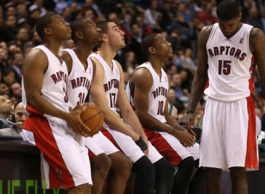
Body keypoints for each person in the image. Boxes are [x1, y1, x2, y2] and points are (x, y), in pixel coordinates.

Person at [186, 1, 265, 194]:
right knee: (210, 171)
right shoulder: (207, 33)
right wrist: (190, 109)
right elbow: (200, 75)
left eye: (231, 25)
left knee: (238, 171)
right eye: (222, 25)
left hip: (240, 105)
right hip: (213, 105)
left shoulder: (254, 35)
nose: (226, 29)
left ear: (239, 17)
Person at [89, 20, 175, 194]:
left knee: (159, 168)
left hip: (116, 125)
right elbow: (104, 111)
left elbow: (126, 109)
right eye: (116, 29)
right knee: (142, 168)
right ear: (104, 36)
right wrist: (135, 135)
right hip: (99, 125)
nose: (122, 32)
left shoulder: (118, 67)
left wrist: (142, 137)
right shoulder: (94, 62)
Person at [21, 13, 93, 193]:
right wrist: (67, 116)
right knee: (79, 186)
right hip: (44, 124)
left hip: (62, 124)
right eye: (61, 22)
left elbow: (57, 98)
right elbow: (33, 98)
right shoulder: (37, 55)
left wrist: (76, 112)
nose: (68, 24)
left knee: (86, 187)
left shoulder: (60, 61)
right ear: (48, 31)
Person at [60, 18, 132, 194]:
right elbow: (54, 96)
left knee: (115, 163)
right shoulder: (66, 58)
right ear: (80, 35)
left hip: (79, 124)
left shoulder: (90, 64)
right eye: (93, 27)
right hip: (63, 123)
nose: (99, 31)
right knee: (101, 163)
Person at [126, 33, 202, 194]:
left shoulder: (164, 75)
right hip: (145, 129)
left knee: (206, 160)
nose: (169, 44)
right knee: (187, 162)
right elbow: (142, 115)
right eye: (163, 41)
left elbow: (165, 114)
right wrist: (174, 131)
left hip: (161, 127)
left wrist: (182, 131)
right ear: (152, 50)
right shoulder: (144, 74)